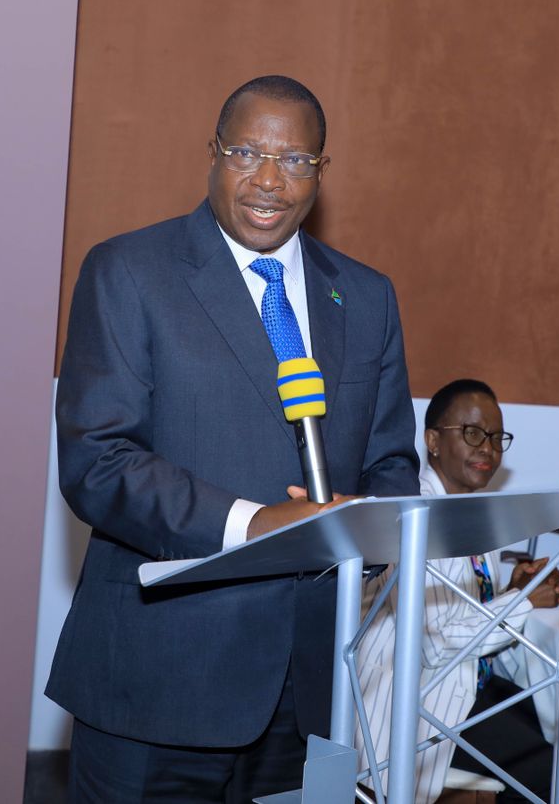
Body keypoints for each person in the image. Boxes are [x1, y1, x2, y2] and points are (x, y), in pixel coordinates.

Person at [46, 75, 420, 802]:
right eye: (247, 152)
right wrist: (255, 524)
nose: (270, 180)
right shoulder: (129, 271)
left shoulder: (366, 295)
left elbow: (392, 462)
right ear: (213, 154)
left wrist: (365, 531)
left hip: (308, 695)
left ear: (321, 171)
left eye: (296, 160)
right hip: (159, 684)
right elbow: (98, 461)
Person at [355, 379, 559, 804]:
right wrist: (522, 599)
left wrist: (515, 587)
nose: (488, 448)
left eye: (496, 437)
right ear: (433, 441)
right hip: (416, 700)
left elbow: (464, 610)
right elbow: (433, 645)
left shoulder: (473, 510)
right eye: (472, 433)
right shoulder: (413, 514)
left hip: (467, 682)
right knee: (549, 771)